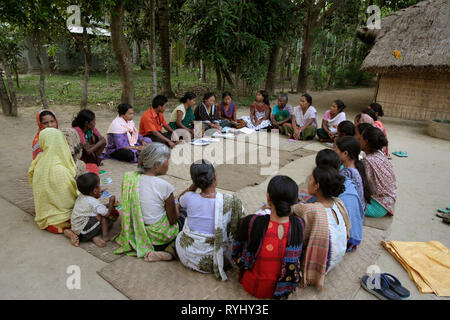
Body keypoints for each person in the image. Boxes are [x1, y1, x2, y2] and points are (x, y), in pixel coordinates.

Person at [232, 176, 305, 299]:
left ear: (268, 197)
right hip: (282, 288)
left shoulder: (252, 222)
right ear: (294, 202)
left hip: (252, 285)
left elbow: (236, 251)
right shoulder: (299, 224)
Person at [175, 160, 245, 280]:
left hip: (188, 255)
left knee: (182, 215)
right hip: (219, 259)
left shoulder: (189, 197)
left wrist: (193, 186)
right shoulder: (230, 201)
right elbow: (240, 225)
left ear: (195, 182)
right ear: (215, 177)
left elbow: (178, 199)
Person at [114, 143, 181, 262]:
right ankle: (169, 251)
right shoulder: (165, 186)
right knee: (184, 218)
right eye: (167, 161)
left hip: (135, 233)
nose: (168, 164)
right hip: (156, 237)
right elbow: (173, 220)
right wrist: (176, 206)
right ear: (156, 165)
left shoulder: (129, 177)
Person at [293, 165, 351, 290]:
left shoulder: (309, 210)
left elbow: (292, 210)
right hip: (338, 255)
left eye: (310, 179)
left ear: (317, 186)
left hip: (323, 263)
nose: (308, 182)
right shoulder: (338, 202)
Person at [28, 128, 78, 235]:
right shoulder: (59, 169)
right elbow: (71, 195)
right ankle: (67, 230)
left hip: (44, 215)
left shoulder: (38, 161)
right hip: (61, 218)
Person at [69, 173, 118, 247]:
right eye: (99, 186)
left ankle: (92, 237)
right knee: (105, 219)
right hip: (83, 232)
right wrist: (111, 202)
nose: (101, 188)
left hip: (76, 227)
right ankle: (105, 237)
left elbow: (93, 208)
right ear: (95, 191)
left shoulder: (81, 195)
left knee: (100, 214)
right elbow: (107, 214)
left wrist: (107, 204)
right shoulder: (93, 202)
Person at [360, 126, 397, 218]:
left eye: (361, 138)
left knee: (345, 201)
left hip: (378, 206)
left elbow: (362, 184)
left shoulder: (368, 161)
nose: (358, 140)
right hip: (388, 201)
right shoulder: (381, 155)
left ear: (366, 142)